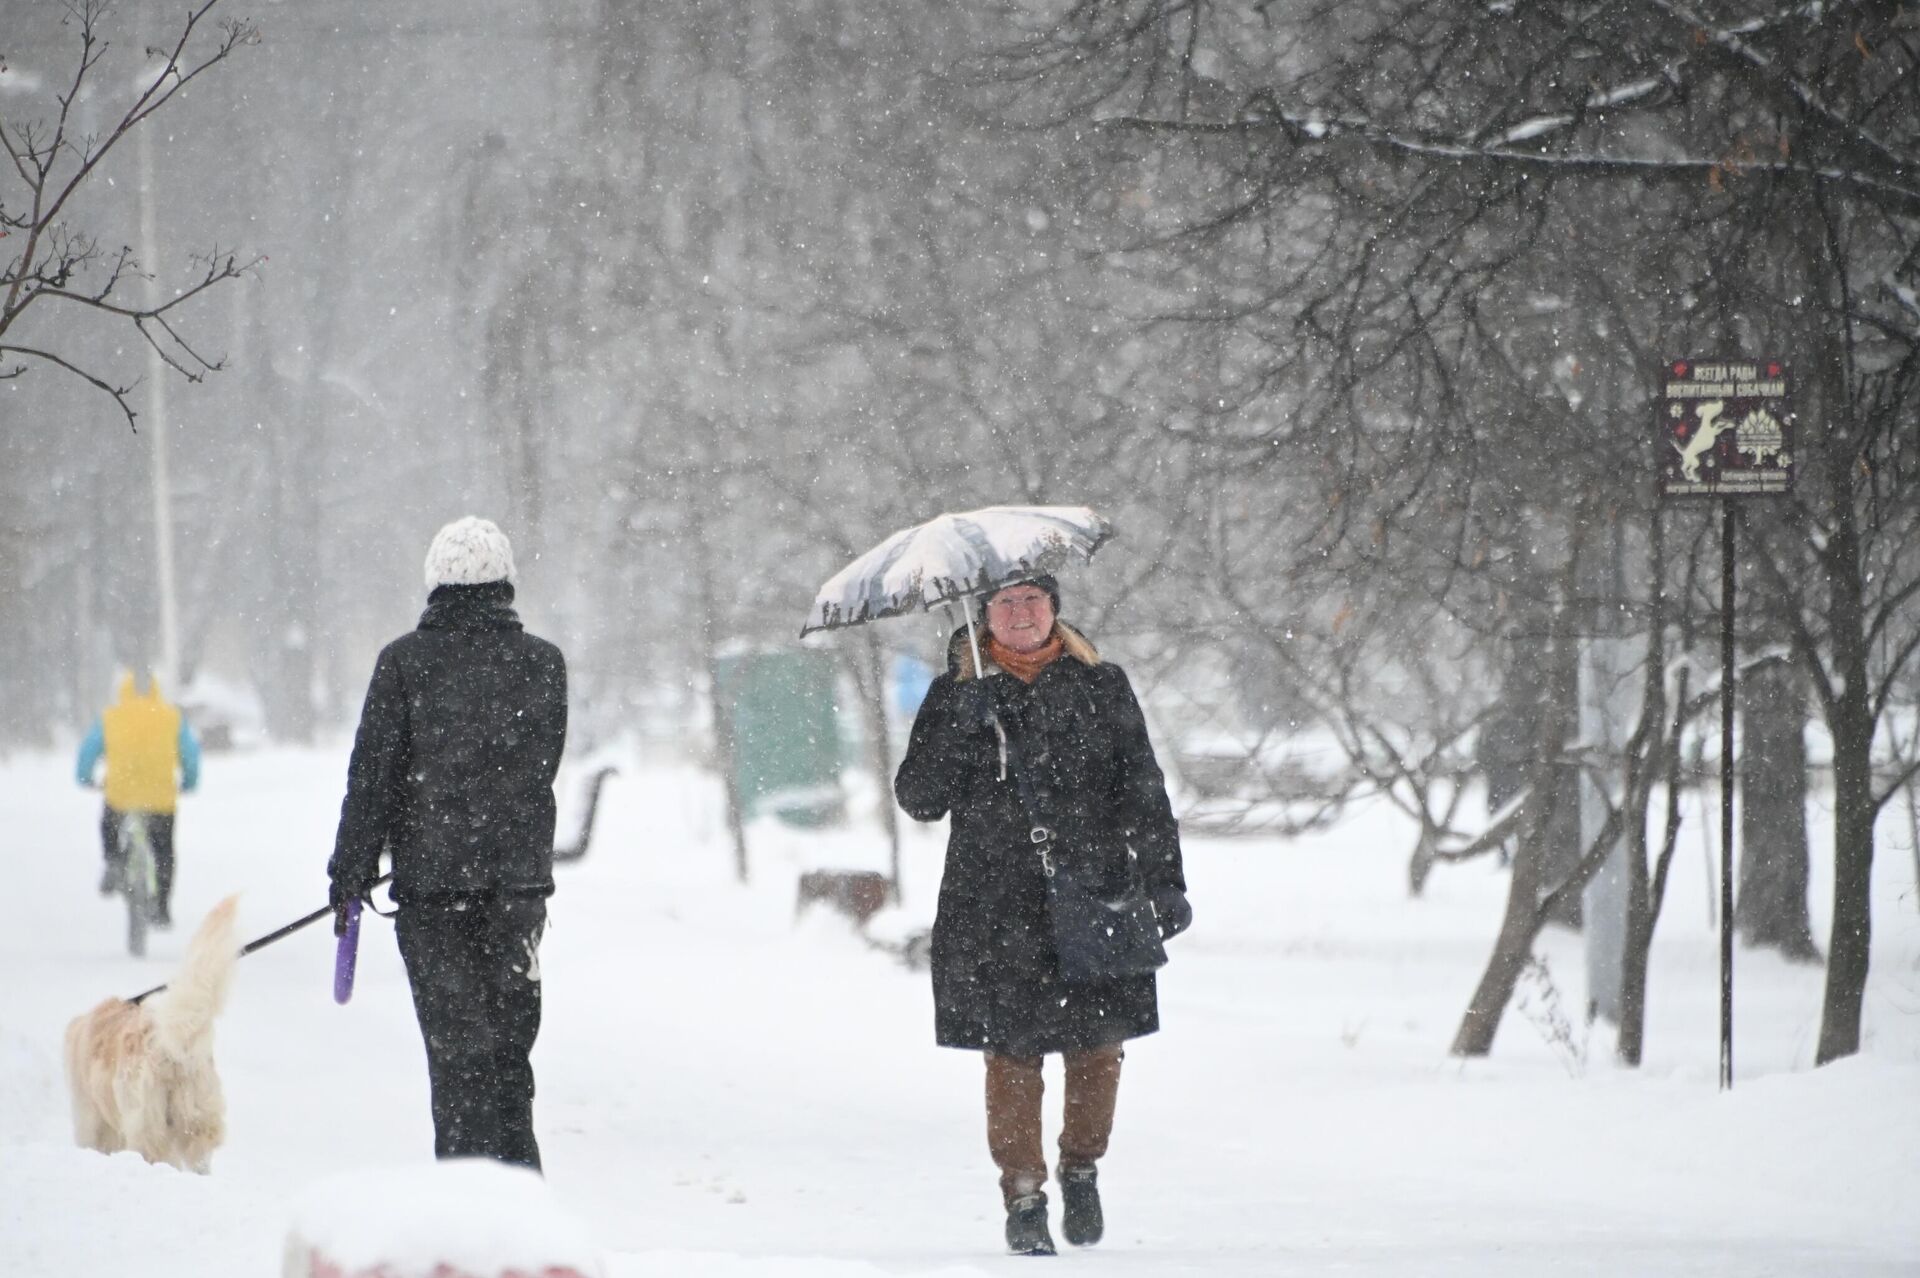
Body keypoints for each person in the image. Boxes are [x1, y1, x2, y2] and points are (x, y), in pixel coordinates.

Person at [894, 574, 1192, 1255]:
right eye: (1006, 602)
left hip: (1094, 888)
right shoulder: (956, 694)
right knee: (1012, 1052)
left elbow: (1142, 787)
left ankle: (1081, 1166)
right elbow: (919, 797)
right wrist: (959, 729)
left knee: (1099, 1046)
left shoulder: (1100, 685)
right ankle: (1023, 1196)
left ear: (1054, 609)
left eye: (1033, 600)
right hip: (992, 902)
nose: (1021, 613)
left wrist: (1164, 880)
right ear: (984, 615)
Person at [328, 516, 567, 1172]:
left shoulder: (404, 664)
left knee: (457, 1066)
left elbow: (371, 776)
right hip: (517, 897)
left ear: (435, 584)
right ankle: (523, 1223)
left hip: (433, 898)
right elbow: (536, 771)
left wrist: (350, 872)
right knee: (509, 1065)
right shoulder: (544, 665)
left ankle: (467, 1229)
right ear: (506, 583)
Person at [76, 671, 201, 927]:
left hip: (121, 793)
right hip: (160, 798)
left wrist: (85, 778)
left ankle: (112, 860)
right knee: (164, 850)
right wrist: (189, 781)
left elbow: (89, 750)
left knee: (109, 823)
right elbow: (190, 754)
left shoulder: (111, 717)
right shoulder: (170, 717)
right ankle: (162, 907)